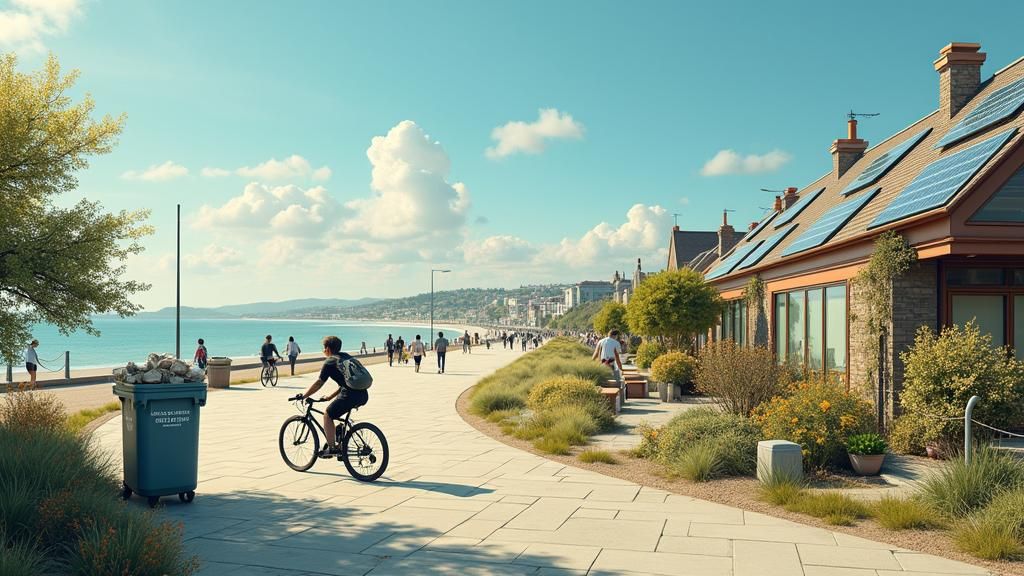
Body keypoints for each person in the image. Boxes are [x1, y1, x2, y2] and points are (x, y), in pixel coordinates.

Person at [296, 335, 368, 458]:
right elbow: (345, 383)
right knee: (338, 412)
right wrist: (330, 397)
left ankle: (332, 448)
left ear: (328, 349)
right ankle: (340, 436)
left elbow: (319, 383)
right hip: (363, 394)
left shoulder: (329, 362)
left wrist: (304, 396)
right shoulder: (346, 357)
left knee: (328, 415)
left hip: (350, 395)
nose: (323, 351)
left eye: (323, 348)